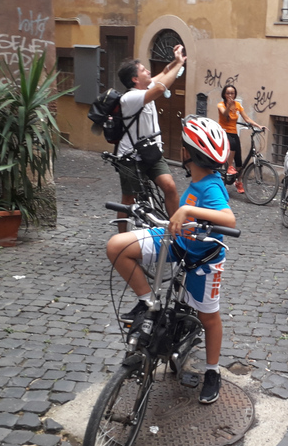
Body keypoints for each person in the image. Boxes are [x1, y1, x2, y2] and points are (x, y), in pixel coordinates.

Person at [107, 116, 235, 404]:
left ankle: (213, 371)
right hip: (178, 242)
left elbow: (228, 218)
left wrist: (188, 213)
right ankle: (147, 301)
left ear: (188, 153)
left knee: (209, 318)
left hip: (204, 258)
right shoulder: (201, 179)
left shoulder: (212, 186)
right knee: (117, 246)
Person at [115, 45, 185, 233]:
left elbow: (164, 73)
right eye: (144, 70)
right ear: (135, 79)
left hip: (151, 152)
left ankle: (177, 233)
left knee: (170, 187)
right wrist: (179, 65)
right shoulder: (130, 97)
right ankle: (122, 238)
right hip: (130, 156)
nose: (148, 71)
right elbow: (161, 87)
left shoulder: (145, 87)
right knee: (128, 199)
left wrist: (177, 60)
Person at [217, 84, 265, 194]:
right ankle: (229, 167)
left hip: (233, 132)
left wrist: (258, 126)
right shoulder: (221, 104)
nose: (230, 95)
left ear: (235, 94)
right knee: (232, 144)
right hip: (223, 131)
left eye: (232, 93)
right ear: (224, 94)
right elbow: (224, 115)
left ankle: (238, 182)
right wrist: (228, 105)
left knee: (239, 161)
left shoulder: (237, 105)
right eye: (228, 93)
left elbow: (246, 118)